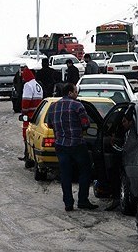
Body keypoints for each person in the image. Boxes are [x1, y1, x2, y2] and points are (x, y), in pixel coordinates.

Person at [46, 83, 99, 211]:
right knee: (85, 171)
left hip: (60, 145)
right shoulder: (77, 105)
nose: (77, 94)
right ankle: (83, 200)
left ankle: (68, 203)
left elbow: (49, 124)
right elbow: (85, 124)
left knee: (65, 175)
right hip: (77, 145)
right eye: (75, 92)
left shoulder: (53, 107)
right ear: (70, 93)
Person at [103, 107, 134, 211]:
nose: (122, 123)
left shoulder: (133, 135)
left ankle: (117, 198)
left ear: (131, 122)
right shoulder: (127, 133)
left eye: (124, 121)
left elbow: (124, 150)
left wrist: (113, 145)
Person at [19, 67, 43, 161]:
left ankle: (27, 156)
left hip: (29, 115)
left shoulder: (28, 85)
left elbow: (26, 101)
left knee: (27, 135)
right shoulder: (38, 85)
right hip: (38, 114)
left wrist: (23, 112)